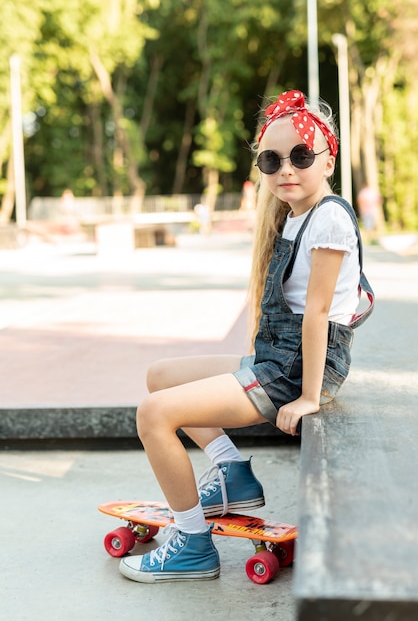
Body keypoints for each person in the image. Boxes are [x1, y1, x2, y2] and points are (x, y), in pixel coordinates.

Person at [119, 89, 374, 584]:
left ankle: (192, 544)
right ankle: (231, 473)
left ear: (328, 160)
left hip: (295, 370)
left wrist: (307, 398)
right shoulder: (297, 215)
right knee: (159, 378)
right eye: (271, 159)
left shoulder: (330, 217)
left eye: (301, 156)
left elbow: (318, 313)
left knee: (153, 415)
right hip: (277, 357)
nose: (286, 169)